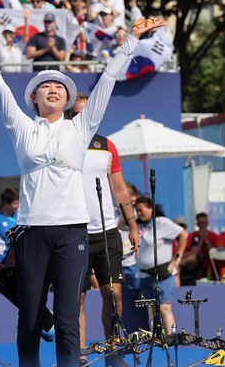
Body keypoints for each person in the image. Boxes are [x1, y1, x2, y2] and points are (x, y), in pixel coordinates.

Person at [0, 13, 164, 367]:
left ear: (67, 98)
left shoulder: (81, 127)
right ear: (33, 96)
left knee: (66, 317)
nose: (53, 90)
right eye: (46, 86)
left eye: (60, 87)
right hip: (31, 231)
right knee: (29, 316)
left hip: (72, 231)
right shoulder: (20, 127)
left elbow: (107, 78)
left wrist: (131, 41)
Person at [71, 92, 139, 360]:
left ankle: (113, 350)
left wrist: (132, 226)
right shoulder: (62, 142)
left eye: (89, 112)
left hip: (108, 231)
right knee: (78, 299)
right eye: (77, 113)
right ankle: (79, 354)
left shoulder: (106, 145)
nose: (85, 117)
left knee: (114, 294)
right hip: (74, 231)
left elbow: (120, 188)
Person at [134, 196, 187, 335]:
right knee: (151, 310)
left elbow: (183, 234)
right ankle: (155, 341)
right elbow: (122, 224)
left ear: (151, 209)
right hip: (144, 274)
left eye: (141, 210)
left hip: (162, 273)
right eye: (136, 211)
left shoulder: (161, 222)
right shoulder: (137, 225)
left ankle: (170, 339)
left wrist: (177, 257)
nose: (138, 213)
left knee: (164, 308)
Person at [187, 212, 219, 280]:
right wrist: (201, 239)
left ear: (208, 223)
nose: (203, 225)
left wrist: (206, 240)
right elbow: (193, 253)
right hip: (196, 265)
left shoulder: (214, 236)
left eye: (205, 223)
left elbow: (215, 253)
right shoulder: (192, 235)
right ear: (197, 224)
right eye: (201, 223)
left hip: (211, 264)